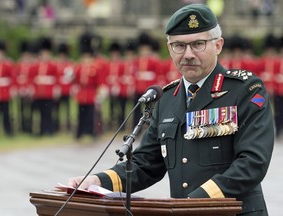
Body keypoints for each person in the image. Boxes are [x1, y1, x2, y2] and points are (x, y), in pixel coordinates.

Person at [68, 4, 274, 215]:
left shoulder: (245, 90)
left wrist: (195, 200)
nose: (188, 54)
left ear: (218, 45)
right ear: (169, 49)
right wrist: (96, 181)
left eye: (198, 44)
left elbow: (252, 163)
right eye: (179, 46)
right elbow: (145, 164)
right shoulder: (167, 99)